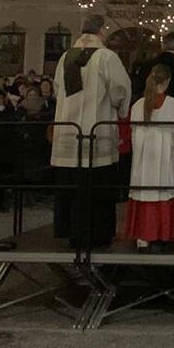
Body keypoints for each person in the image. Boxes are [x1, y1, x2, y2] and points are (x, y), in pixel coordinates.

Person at [51, 14, 132, 249]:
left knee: (71, 184)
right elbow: (119, 89)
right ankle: (97, 233)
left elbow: (58, 89)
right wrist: (120, 107)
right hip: (97, 132)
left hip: (68, 130)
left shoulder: (66, 56)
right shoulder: (106, 56)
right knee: (97, 187)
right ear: (102, 31)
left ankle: (67, 229)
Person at [125, 64, 174, 252]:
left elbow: (132, 129)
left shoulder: (137, 105)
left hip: (144, 160)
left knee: (145, 193)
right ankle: (162, 234)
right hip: (165, 158)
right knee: (163, 193)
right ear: (167, 81)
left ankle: (143, 237)